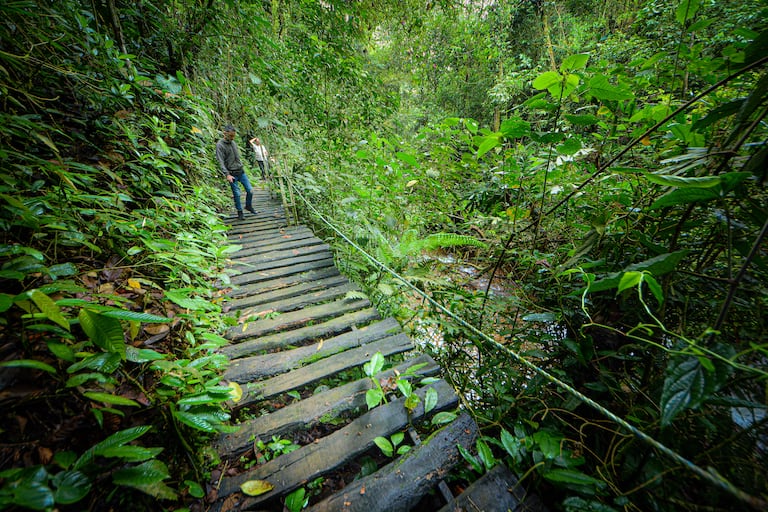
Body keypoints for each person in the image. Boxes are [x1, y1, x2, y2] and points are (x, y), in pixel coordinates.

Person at [216, 124, 257, 220]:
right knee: (237, 194)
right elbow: (220, 161)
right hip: (231, 173)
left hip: (241, 171)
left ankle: (248, 206)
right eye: (230, 136)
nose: (232, 138)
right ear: (224, 133)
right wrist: (227, 174)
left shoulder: (233, 143)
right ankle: (240, 212)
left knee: (250, 190)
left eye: (234, 136)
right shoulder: (220, 145)